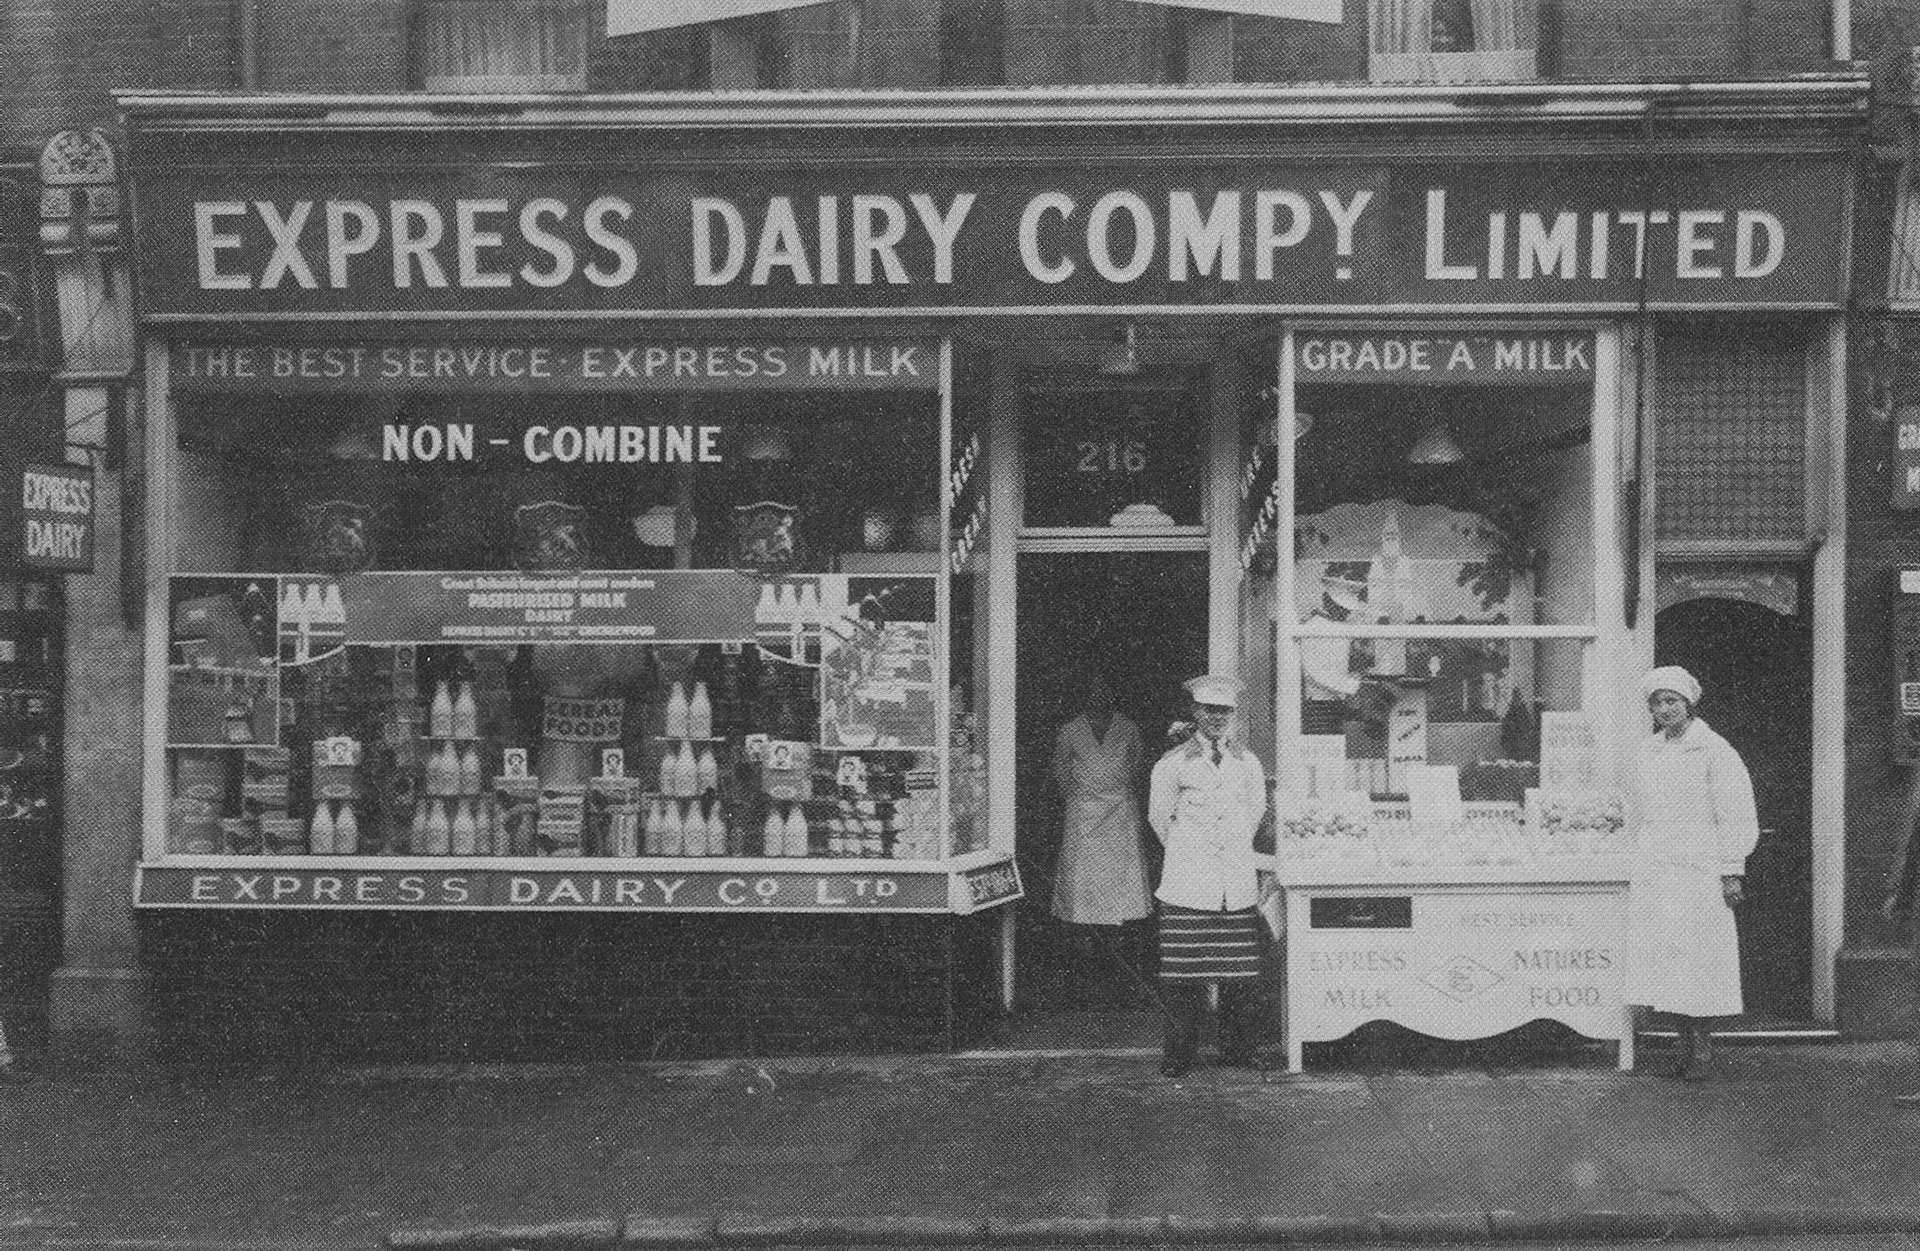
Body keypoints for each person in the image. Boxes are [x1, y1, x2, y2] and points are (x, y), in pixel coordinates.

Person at [1625, 665, 1760, 1082]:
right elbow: (1638, 808)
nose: (1665, 710)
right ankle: (1681, 1043)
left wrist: (1731, 869)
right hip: (1658, 866)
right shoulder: (1648, 750)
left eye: (1672, 701)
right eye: (1657, 703)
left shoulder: (1715, 750)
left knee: (1700, 958)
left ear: (1689, 703)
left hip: (1699, 867)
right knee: (1668, 959)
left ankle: (1702, 1046)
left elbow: (1735, 813)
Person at [1148, 674, 1270, 1077]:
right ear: (1196, 713)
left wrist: (1231, 848)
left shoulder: (1247, 762)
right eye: (1210, 710)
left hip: (1233, 881)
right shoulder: (1172, 763)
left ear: (1233, 715)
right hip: (1188, 882)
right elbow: (1160, 818)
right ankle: (1179, 1055)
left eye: (1225, 711)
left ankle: (1239, 1050)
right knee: (1183, 975)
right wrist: (1191, 853)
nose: (1218, 717)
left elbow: (1255, 812)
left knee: (1241, 976)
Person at [1050, 671, 1153, 934]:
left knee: (1119, 876)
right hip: (1084, 813)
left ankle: (1118, 935)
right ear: (1084, 695)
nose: (1099, 696)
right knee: (1083, 877)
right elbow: (1061, 772)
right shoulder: (1070, 730)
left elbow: (1138, 765)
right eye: (1094, 691)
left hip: (1120, 812)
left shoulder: (1128, 727)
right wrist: (1081, 798)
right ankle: (1083, 936)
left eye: (1105, 690)